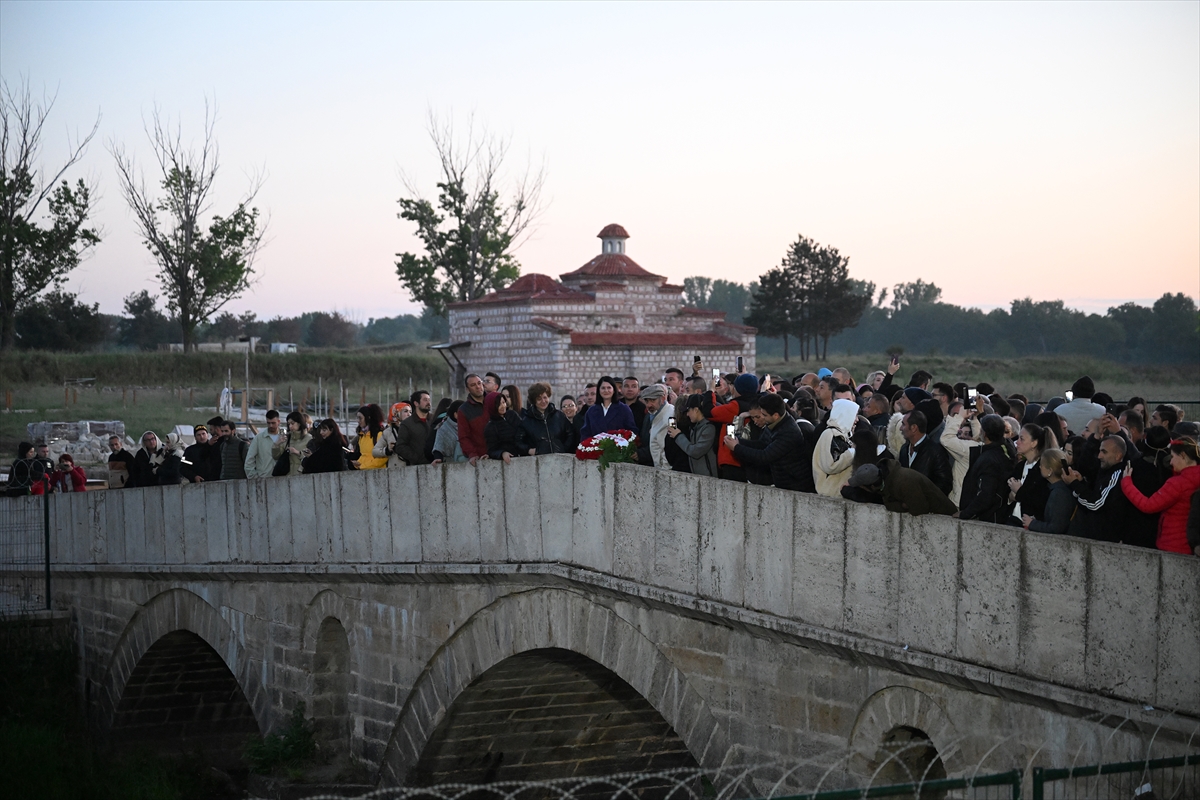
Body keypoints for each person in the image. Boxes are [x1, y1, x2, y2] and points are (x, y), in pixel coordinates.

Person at [1120, 437, 1200, 555]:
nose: (1171, 462)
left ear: (1183, 455)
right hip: (1189, 546)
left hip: (1172, 546)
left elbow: (1148, 506)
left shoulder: (1178, 484)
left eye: (1173, 457)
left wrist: (1126, 483)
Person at [724, 393, 809, 490]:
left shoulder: (788, 432)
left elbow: (764, 456)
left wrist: (736, 447)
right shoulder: (774, 423)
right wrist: (739, 441)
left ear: (776, 415)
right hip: (782, 481)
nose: (762, 417)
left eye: (764, 415)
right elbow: (762, 444)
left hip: (794, 484)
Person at [1063, 435, 1138, 544]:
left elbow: (1097, 504)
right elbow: (1095, 496)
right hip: (1094, 538)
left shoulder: (1117, 475)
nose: (1099, 456)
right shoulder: (1105, 471)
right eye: (1099, 451)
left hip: (1106, 542)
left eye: (1104, 452)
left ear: (1118, 456)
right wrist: (1080, 482)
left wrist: (1075, 484)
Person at [957, 415, 1016, 524]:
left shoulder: (989, 459)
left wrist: (965, 513)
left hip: (990, 518)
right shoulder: (1008, 448)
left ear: (984, 433)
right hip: (999, 515)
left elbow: (986, 495)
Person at [844, 461, 957, 517]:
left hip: (946, 517)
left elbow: (919, 509)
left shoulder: (903, 481)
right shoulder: (888, 480)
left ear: (872, 486)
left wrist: (900, 505)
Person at [1005, 423, 1055, 526]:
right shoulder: (1019, 466)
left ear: (1034, 443)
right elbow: (1008, 494)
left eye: (1022, 439)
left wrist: (1019, 491)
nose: (1017, 442)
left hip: (1030, 525)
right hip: (1011, 520)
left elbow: (1040, 500)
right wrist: (1010, 496)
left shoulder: (1042, 469)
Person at [897, 410, 953, 498]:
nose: (901, 428)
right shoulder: (904, 449)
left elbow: (945, 483)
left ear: (914, 428)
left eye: (903, 424)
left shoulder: (936, 451)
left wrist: (924, 498)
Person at [1021, 449, 1073, 534]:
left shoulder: (1059, 494)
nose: (1040, 467)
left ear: (1050, 471)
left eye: (1042, 464)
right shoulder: (1056, 489)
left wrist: (1032, 523)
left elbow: (1056, 527)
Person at [813, 398, 858, 497]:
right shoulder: (829, 434)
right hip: (829, 491)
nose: (857, 420)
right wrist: (851, 453)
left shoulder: (841, 435)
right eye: (855, 416)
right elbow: (830, 467)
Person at [940, 401, 981, 507]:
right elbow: (978, 438)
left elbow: (946, 439)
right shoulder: (983, 446)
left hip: (960, 502)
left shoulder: (969, 448)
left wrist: (960, 417)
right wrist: (974, 418)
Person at [667, 394, 718, 477]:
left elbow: (695, 452)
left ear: (696, 410)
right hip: (697, 477)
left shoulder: (708, 428)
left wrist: (678, 435)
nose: (687, 414)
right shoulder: (695, 427)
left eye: (688, 410)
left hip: (709, 479)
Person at [521, 382, 575, 455]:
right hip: (539, 461)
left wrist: (563, 448)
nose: (543, 401)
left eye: (545, 397)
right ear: (534, 401)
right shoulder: (527, 420)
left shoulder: (559, 415)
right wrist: (529, 450)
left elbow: (570, 434)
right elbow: (518, 441)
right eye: (539, 399)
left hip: (560, 459)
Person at [458, 374, 491, 465]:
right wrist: (472, 454)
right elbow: (464, 437)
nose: (477, 387)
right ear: (467, 389)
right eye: (473, 385)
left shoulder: (494, 401)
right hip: (481, 458)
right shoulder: (464, 410)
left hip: (499, 453)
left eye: (479, 383)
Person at [484, 391, 525, 464]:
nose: (503, 406)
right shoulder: (491, 427)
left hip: (524, 456)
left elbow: (524, 430)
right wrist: (502, 453)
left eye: (503, 402)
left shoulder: (512, 414)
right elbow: (492, 450)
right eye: (499, 404)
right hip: (509, 461)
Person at [396, 391, 434, 466]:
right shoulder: (407, 424)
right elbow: (400, 446)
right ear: (416, 403)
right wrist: (417, 459)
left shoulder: (434, 420)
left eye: (429, 400)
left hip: (436, 465)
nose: (428, 403)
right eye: (425, 400)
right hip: (417, 467)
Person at [245, 409, 285, 478]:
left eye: (273, 423)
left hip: (282, 478)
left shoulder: (285, 437)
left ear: (278, 422)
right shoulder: (259, 438)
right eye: (268, 423)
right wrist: (254, 477)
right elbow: (249, 459)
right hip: (263, 478)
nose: (271, 425)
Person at [352, 403, 388, 470]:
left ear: (368, 418)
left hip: (378, 472)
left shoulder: (379, 435)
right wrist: (358, 463)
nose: (358, 421)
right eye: (357, 418)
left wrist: (363, 466)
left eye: (360, 418)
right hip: (366, 471)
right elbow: (364, 456)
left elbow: (383, 458)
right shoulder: (362, 436)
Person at [376, 402, 412, 467]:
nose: (409, 414)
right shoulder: (388, 432)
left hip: (412, 467)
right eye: (405, 411)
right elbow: (375, 451)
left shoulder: (413, 429)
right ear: (396, 413)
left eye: (410, 412)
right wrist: (387, 450)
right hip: (395, 469)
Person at [278, 412, 313, 476]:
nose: (290, 426)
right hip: (288, 475)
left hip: (302, 475)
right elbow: (276, 456)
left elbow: (311, 458)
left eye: (292, 423)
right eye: (289, 424)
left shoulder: (309, 438)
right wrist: (277, 444)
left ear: (299, 423)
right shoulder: (287, 438)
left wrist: (297, 452)